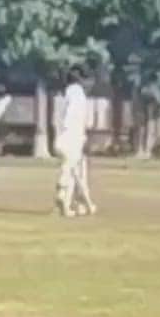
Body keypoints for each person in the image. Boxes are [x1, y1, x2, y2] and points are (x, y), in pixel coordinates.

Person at [54, 66, 97, 217]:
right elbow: (84, 121)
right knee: (76, 173)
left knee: (74, 172)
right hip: (73, 138)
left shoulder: (63, 95)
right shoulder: (79, 95)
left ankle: (74, 205)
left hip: (61, 139)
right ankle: (63, 191)